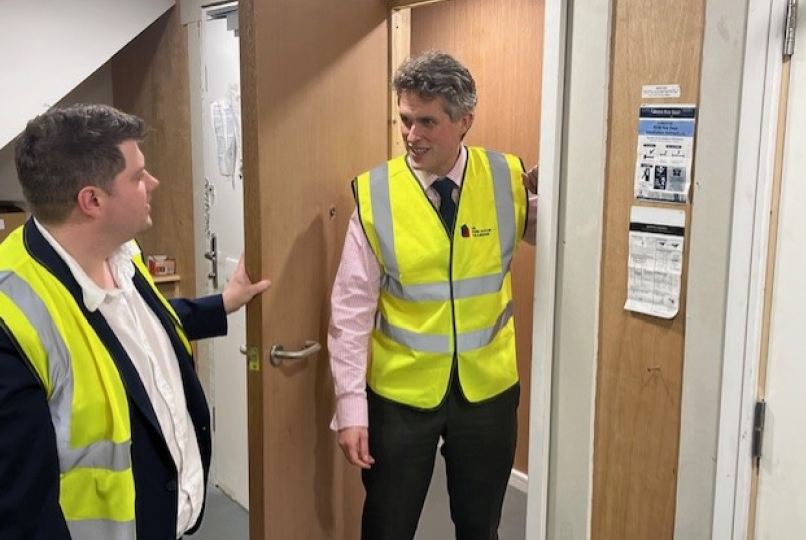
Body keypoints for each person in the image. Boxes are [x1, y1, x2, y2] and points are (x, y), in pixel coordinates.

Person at [0, 104, 271, 540]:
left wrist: (223, 303)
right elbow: (20, 509)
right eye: (138, 175)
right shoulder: (11, 319)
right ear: (92, 200)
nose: (153, 183)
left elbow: (139, 329)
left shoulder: (120, 253)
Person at [328, 51, 538, 540]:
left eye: (427, 121)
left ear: (465, 121)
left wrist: (567, 188)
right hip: (400, 397)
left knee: (480, 525)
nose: (411, 135)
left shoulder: (506, 179)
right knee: (386, 526)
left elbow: (565, 237)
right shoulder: (376, 194)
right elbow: (350, 314)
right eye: (405, 119)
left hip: (487, 391)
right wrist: (350, 409)